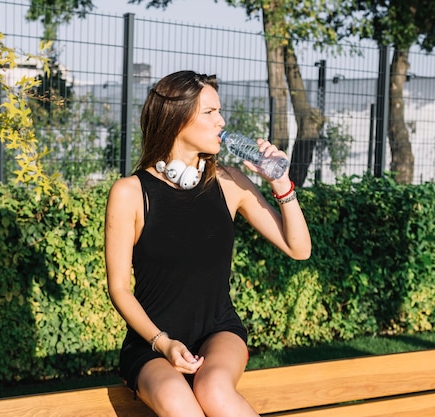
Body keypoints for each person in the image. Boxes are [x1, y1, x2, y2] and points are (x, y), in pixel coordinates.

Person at [104, 70, 311, 417]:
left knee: (213, 390)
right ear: (177, 118)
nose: (222, 121)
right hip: (152, 344)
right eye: (210, 112)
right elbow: (119, 289)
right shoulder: (130, 193)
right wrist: (164, 343)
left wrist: (281, 184)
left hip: (219, 333)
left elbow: (299, 249)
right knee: (177, 400)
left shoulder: (230, 183)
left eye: (220, 111)